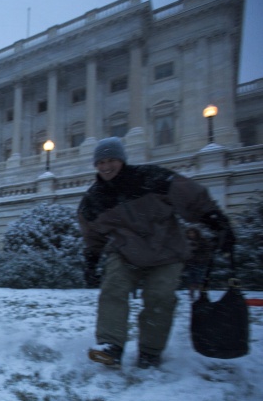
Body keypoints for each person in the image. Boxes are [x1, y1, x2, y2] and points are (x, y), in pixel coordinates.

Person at [78, 137, 234, 369]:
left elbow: (190, 195)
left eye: (111, 160)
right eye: (101, 162)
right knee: (113, 290)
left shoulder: (151, 178)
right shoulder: (93, 199)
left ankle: (150, 351)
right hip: (125, 253)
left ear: (122, 160)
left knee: (159, 298)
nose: (106, 166)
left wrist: (216, 221)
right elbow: (92, 235)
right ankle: (110, 346)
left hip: (166, 249)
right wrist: (91, 260)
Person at [182, 227, 213, 301]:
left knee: (200, 281)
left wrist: (201, 258)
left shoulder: (202, 241)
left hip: (200, 263)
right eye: (189, 233)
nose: (191, 234)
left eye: (192, 233)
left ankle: (201, 296)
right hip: (190, 264)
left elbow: (207, 252)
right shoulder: (186, 242)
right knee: (191, 281)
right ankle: (191, 297)